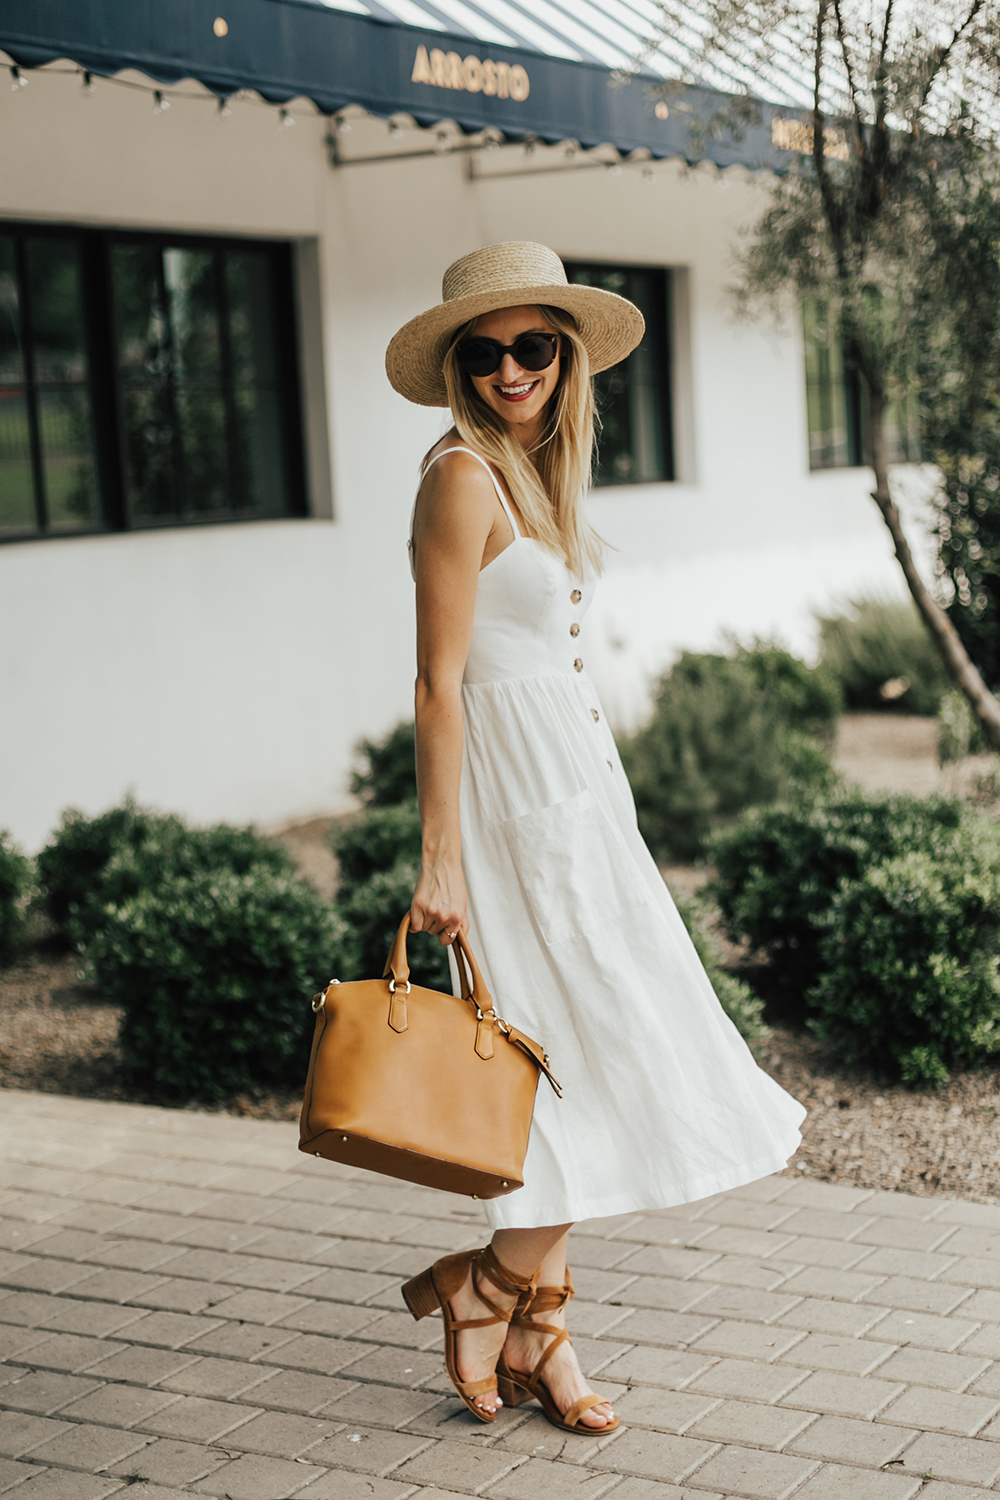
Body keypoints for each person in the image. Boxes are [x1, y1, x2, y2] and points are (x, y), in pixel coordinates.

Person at [384, 241, 806, 1434]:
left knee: (589, 1059)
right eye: (487, 350)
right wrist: (439, 860)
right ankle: (483, 1291)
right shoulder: (460, 475)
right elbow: (436, 684)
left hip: (574, 799)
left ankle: (534, 1335)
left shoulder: (528, 467)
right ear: (461, 366)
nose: (512, 368)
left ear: (565, 356)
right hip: (513, 814)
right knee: (585, 1061)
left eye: (532, 346)